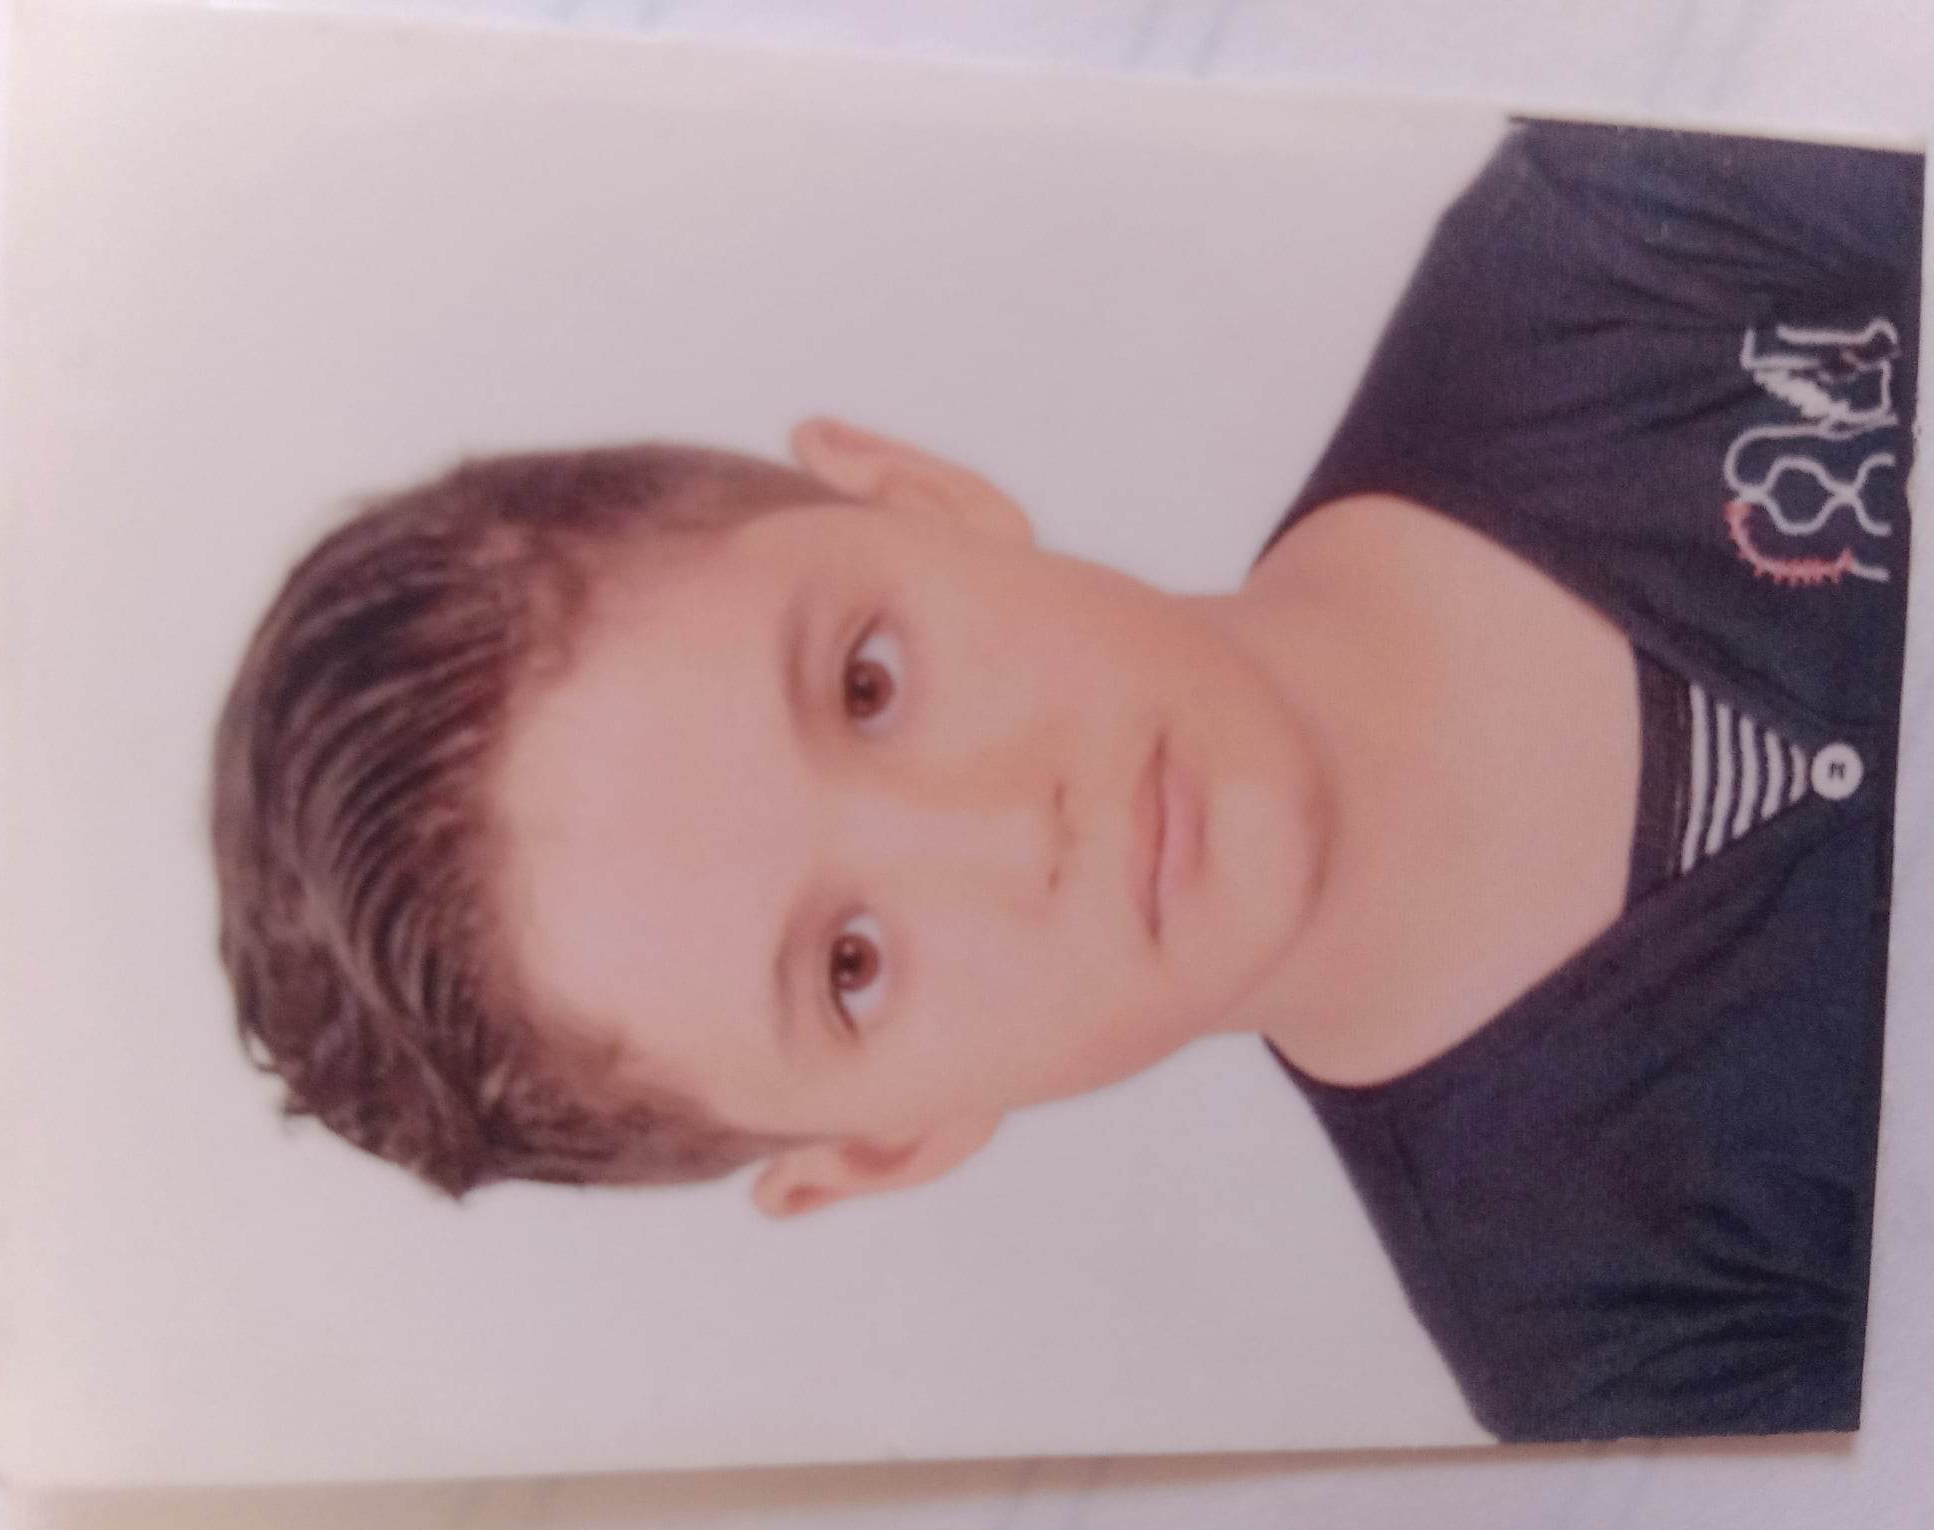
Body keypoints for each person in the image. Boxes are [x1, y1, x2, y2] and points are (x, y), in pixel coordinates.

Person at [210, 117, 1920, 1442]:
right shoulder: (1622, 1342)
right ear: (886, 1143)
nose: (1010, 830)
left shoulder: (1618, 229)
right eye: (851, 964)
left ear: (912, 494)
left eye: (868, 683)